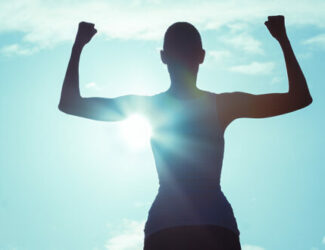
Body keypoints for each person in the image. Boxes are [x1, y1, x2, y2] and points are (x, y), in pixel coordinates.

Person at [58, 16, 312, 250]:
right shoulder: (222, 105)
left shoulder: (151, 108)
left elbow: (70, 103)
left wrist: (79, 45)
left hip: (169, 227)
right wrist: (282, 39)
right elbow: (299, 97)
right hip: (211, 226)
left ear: (163, 56)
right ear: (201, 56)